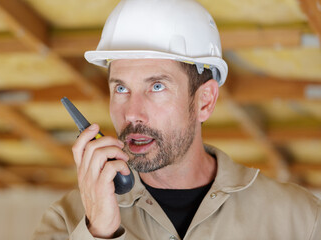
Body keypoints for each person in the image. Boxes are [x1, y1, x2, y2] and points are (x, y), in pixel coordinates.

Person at [33, 0, 321, 239]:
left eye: (157, 86)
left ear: (204, 101)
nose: (132, 113)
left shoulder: (300, 220)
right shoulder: (68, 222)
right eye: (121, 88)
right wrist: (98, 233)